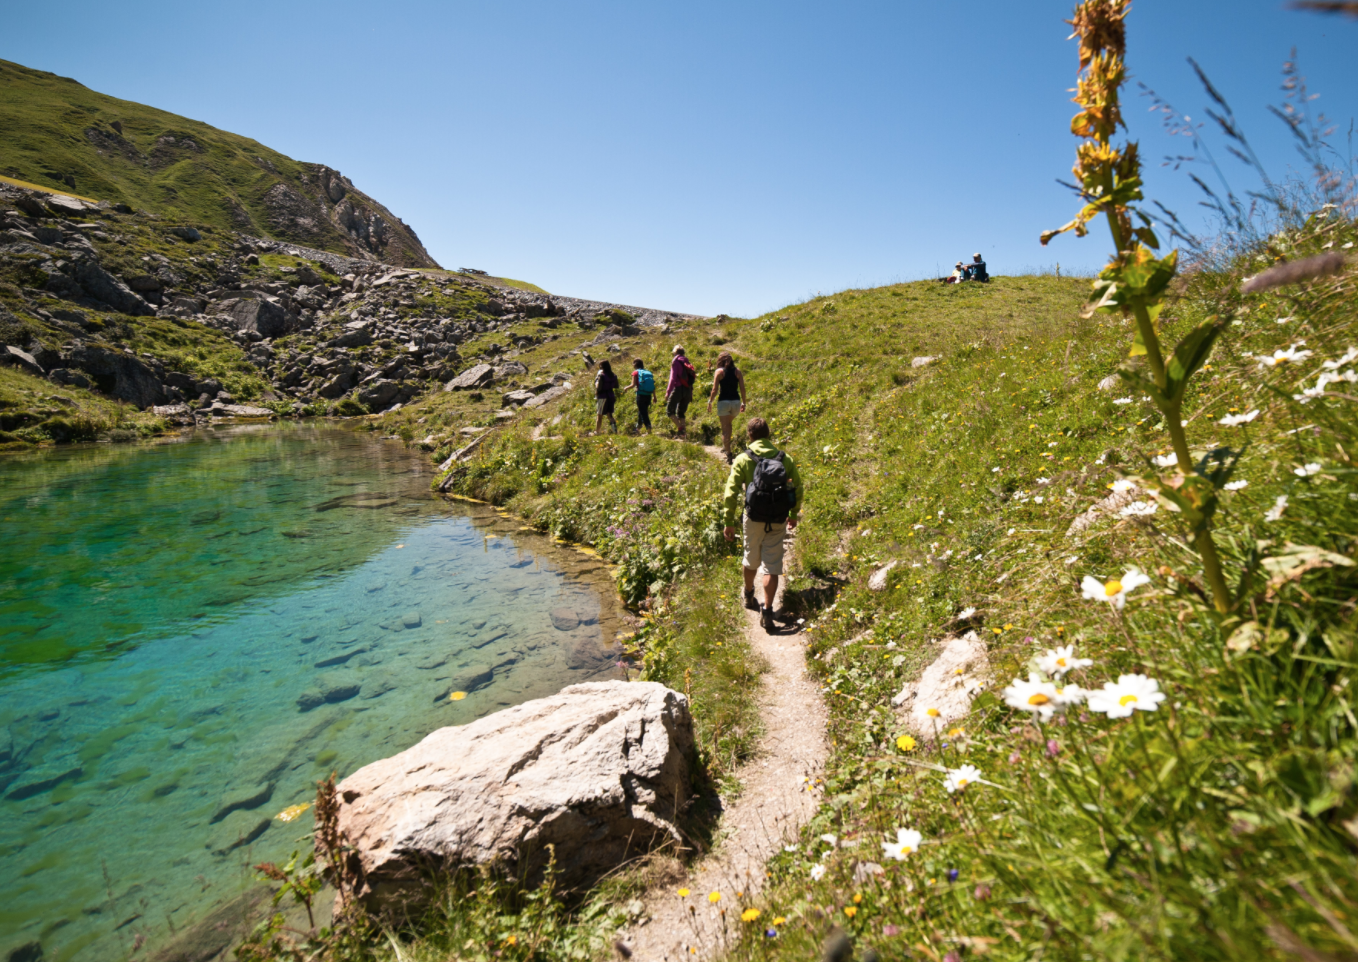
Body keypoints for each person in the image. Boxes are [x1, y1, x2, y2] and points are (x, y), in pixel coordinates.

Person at [722, 418, 803, 632]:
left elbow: (731, 492)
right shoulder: (784, 459)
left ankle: (749, 594)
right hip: (777, 518)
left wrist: (728, 521)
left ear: (750, 435)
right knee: (772, 566)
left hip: (753, 517)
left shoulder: (742, 458)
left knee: (751, 558)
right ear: (768, 434)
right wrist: (793, 514)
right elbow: (797, 488)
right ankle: (767, 610)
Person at [706, 351, 747, 463]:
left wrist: (710, 401)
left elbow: (715, 390)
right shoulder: (737, 371)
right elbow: (742, 388)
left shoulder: (719, 372)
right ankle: (726, 447)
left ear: (720, 361)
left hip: (723, 402)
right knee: (728, 425)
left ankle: (728, 454)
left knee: (725, 429)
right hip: (735, 402)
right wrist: (744, 402)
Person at [666, 345, 697, 439]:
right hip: (688, 389)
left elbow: (672, 378)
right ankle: (684, 435)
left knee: (669, 411)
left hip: (678, 388)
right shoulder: (686, 361)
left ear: (675, 352)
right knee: (681, 413)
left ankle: (681, 429)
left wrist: (668, 392)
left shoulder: (675, 361)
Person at [618, 357, 655, 434]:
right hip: (648, 395)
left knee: (643, 412)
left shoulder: (635, 372)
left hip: (641, 395)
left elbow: (633, 384)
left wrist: (626, 388)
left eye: (633, 363)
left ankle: (649, 429)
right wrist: (654, 396)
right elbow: (653, 385)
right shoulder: (648, 372)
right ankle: (638, 428)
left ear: (635, 364)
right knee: (641, 411)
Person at [593, 359, 619, 434]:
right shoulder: (613, 375)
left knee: (599, 415)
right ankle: (615, 431)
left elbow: (598, 387)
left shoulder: (601, 375)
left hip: (602, 396)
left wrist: (596, 382)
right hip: (611, 396)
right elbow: (616, 385)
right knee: (609, 414)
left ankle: (597, 432)